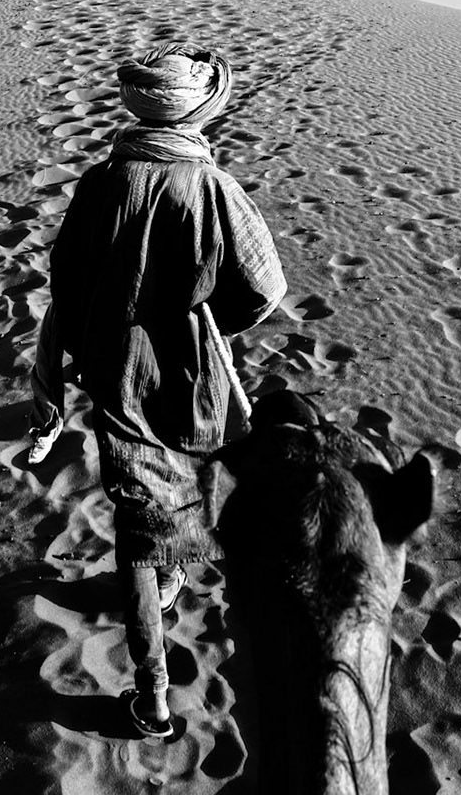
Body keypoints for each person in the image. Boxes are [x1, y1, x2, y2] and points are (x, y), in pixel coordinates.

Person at [25, 42, 287, 738]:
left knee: (141, 509)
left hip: (115, 370)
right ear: (197, 110)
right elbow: (264, 287)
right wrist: (206, 323)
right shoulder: (211, 187)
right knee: (164, 506)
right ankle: (155, 688)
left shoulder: (97, 183)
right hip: (192, 372)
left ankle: (157, 678)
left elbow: (66, 284)